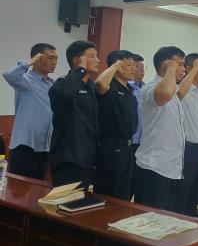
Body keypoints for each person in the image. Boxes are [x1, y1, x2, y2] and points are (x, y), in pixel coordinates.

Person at [133, 46, 186, 210]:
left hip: (172, 167)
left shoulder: (173, 89)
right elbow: (165, 95)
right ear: (165, 65)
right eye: (180, 64)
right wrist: (170, 68)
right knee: (149, 219)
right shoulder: (150, 88)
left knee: (166, 219)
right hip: (154, 167)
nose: (183, 69)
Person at [48, 41, 100, 188]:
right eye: (92, 56)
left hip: (88, 158)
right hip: (69, 159)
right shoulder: (61, 84)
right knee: (68, 201)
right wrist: (81, 70)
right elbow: (66, 95)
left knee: (85, 201)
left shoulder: (90, 86)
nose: (97, 60)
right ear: (77, 60)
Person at [2, 43, 57, 179]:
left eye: (56, 58)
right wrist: (31, 61)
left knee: (37, 189)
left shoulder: (52, 84)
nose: (54, 62)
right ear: (38, 59)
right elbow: (8, 75)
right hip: (25, 146)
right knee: (18, 189)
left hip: (44, 147)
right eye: (50, 58)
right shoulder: (25, 81)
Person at [94, 50, 138, 200]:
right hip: (111, 148)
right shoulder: (110, 86)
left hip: (128, 148)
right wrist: (115, 66)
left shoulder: (130, 89)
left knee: (124, 195)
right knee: (109, 194)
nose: (134, 69)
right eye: (129, 65)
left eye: (134, 65)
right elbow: (99, 84)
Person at [170, 53, 198, 216]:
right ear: (188, 68)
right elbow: (178, 94)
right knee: (182, 191)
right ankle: (178, 220)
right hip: (186, 148)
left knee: (194, 190)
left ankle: (190, 218)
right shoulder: (181, 89)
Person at [130, 53, 145, 152]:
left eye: (143, 68)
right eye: (139, 68)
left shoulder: (146, 88)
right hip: (130, 139)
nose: (142, 71)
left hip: (143, 139)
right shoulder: (127, 87)